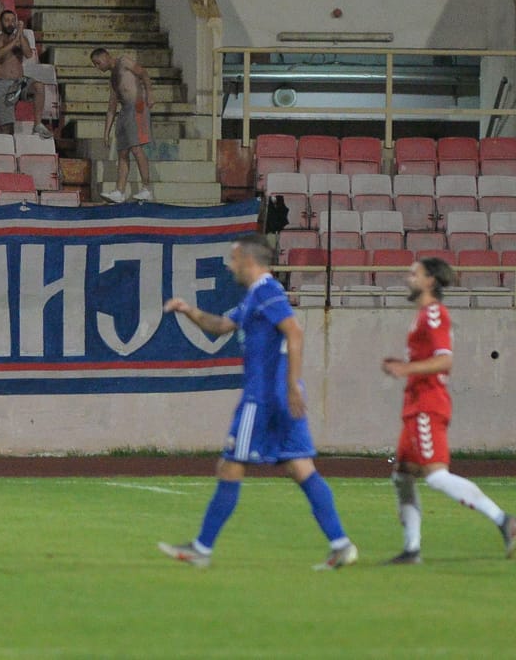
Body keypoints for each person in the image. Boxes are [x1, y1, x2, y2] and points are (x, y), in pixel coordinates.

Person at [158, 234, 357, 570]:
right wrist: (188, 310)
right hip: (280, 395)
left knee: (231, 465)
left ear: (249, 261)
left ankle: (202, 549)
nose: (230, 265)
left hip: (263, 397)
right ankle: (341, 544)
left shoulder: (266, 291)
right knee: (299, 467)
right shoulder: (256, 297)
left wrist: (292, 383)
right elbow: (221, 326)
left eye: (233, 259)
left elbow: (294, 331)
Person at [382, 258, 516, 565]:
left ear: (430, 281)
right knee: (402, 476)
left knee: (435, 476)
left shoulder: (434, 314)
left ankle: (502, 520)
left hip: (427, 404)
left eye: (414, 274)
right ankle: (412, 549)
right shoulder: (422, 316)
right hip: (415, 405)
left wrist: (405, 368)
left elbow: (445, 360)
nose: (408, 278)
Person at [93, 47, 153, 203]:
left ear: (106, 56)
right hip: (125, 110)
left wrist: (150, 94)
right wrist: (106, 132)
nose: (98, 68)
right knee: (122, 153)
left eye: (98, 63)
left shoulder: (124, 61)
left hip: (138, 106)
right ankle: (119, 191)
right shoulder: (112, 79)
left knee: (136, 148)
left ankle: (146, 188)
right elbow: (112, 107)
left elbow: (143, 73)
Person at [0, 10, 52, 140]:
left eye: (13, 20)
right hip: (3, 84)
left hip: (20, 81)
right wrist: (14, 41)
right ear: (1, 23)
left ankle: (38, 123)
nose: (10, 23)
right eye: (7, 20)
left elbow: (28, 54)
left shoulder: (21, 38)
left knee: (39, 86)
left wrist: (20, 34)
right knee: (7, 130)